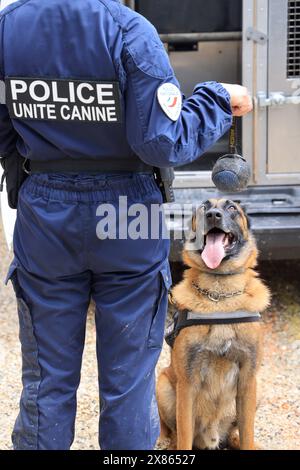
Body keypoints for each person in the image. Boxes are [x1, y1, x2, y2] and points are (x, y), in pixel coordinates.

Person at [0, 0, 252, 450]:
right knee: (128, 383)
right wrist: (216, 98)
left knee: (47, 382)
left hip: (47, 215)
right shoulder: (128, 29)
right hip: (128, 213)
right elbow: (161, 141)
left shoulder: (9, 26)